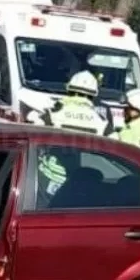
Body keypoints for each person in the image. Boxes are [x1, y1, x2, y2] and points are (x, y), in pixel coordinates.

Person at [28, 70, 112, 204]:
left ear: (69, 90)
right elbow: (114, 148)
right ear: (93, 95)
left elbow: (32, 125)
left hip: (48, 177)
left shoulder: (54, 112)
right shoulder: (101, 121)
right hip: (77, 182)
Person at [112, 89, 140, 154]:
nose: (124, 110)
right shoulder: (128, 126)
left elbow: (133, 157)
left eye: (128, 107)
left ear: (135, 110)